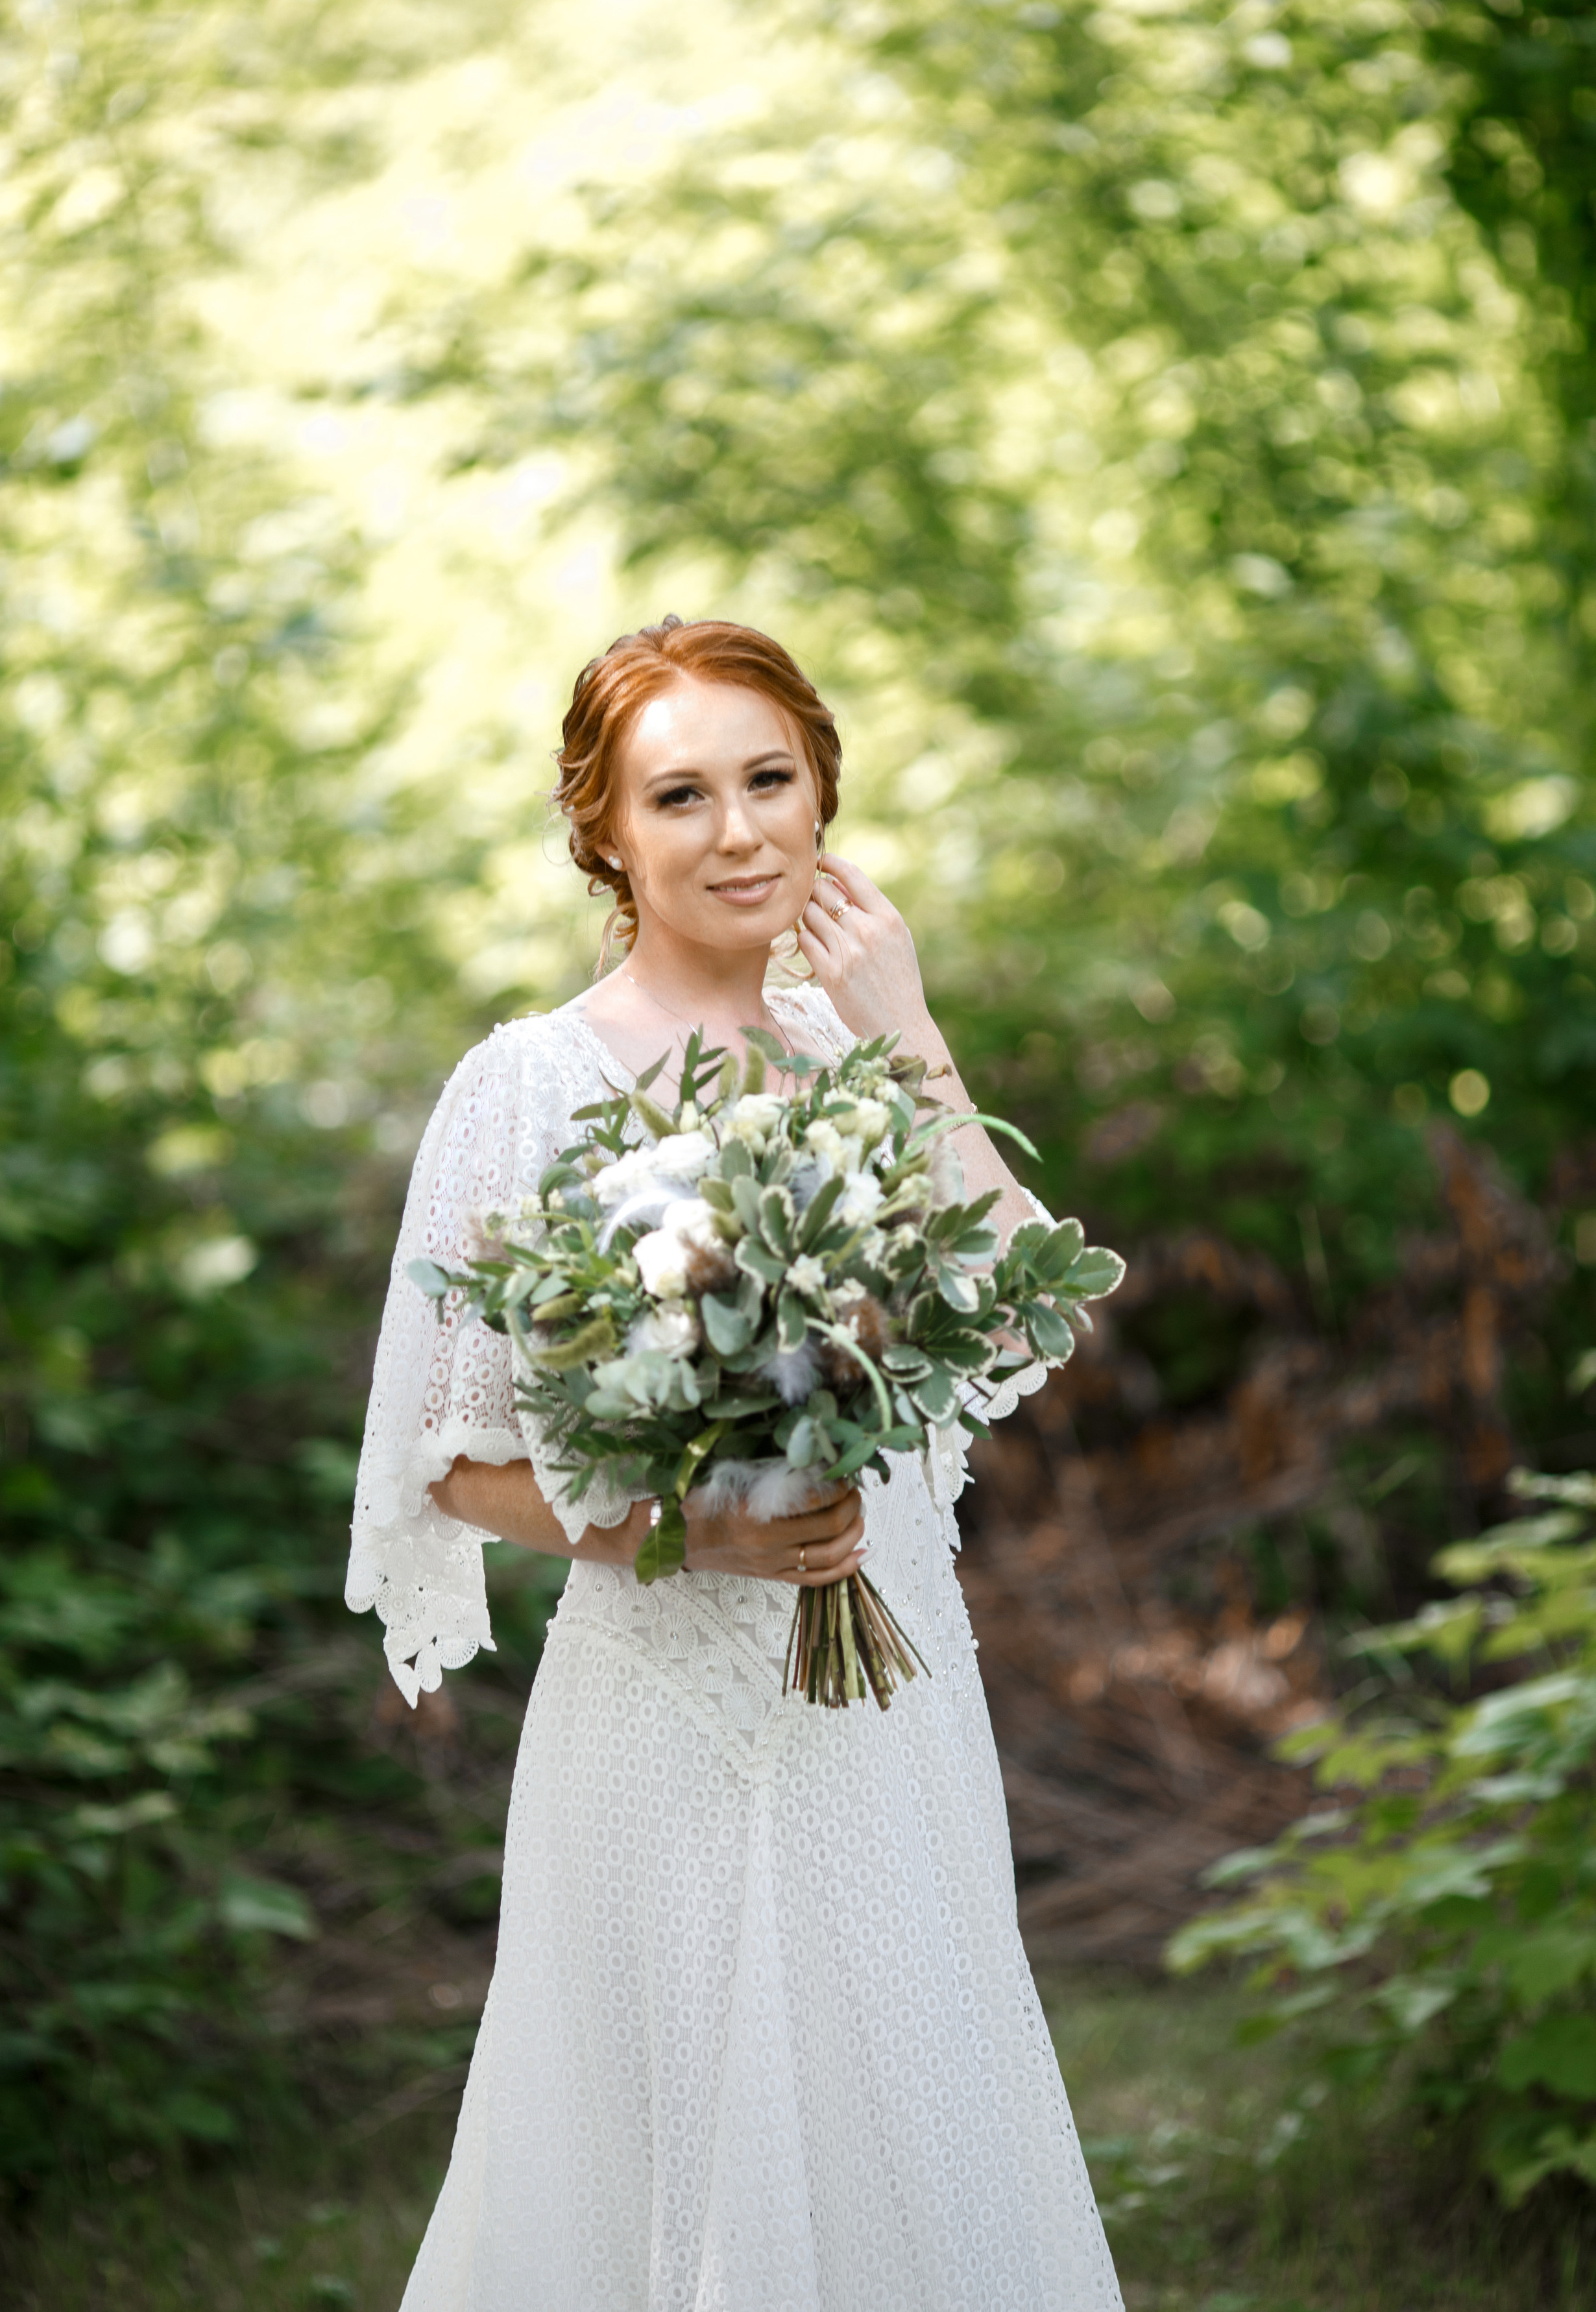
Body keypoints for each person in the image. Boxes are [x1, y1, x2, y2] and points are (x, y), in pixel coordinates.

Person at [346, 617, 1123, 2312]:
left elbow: (1022, 1327)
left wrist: (906, 1021)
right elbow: (443, 1463)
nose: (741, 829)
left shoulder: (865, 1058)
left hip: (889, 1697)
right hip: (665, 1711)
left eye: (771, 779)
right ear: (605, 833)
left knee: (914, 2110)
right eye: (680, 794)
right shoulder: (526, 1088)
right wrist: (678, 1537)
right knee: (663, 2136)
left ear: (824, 790)